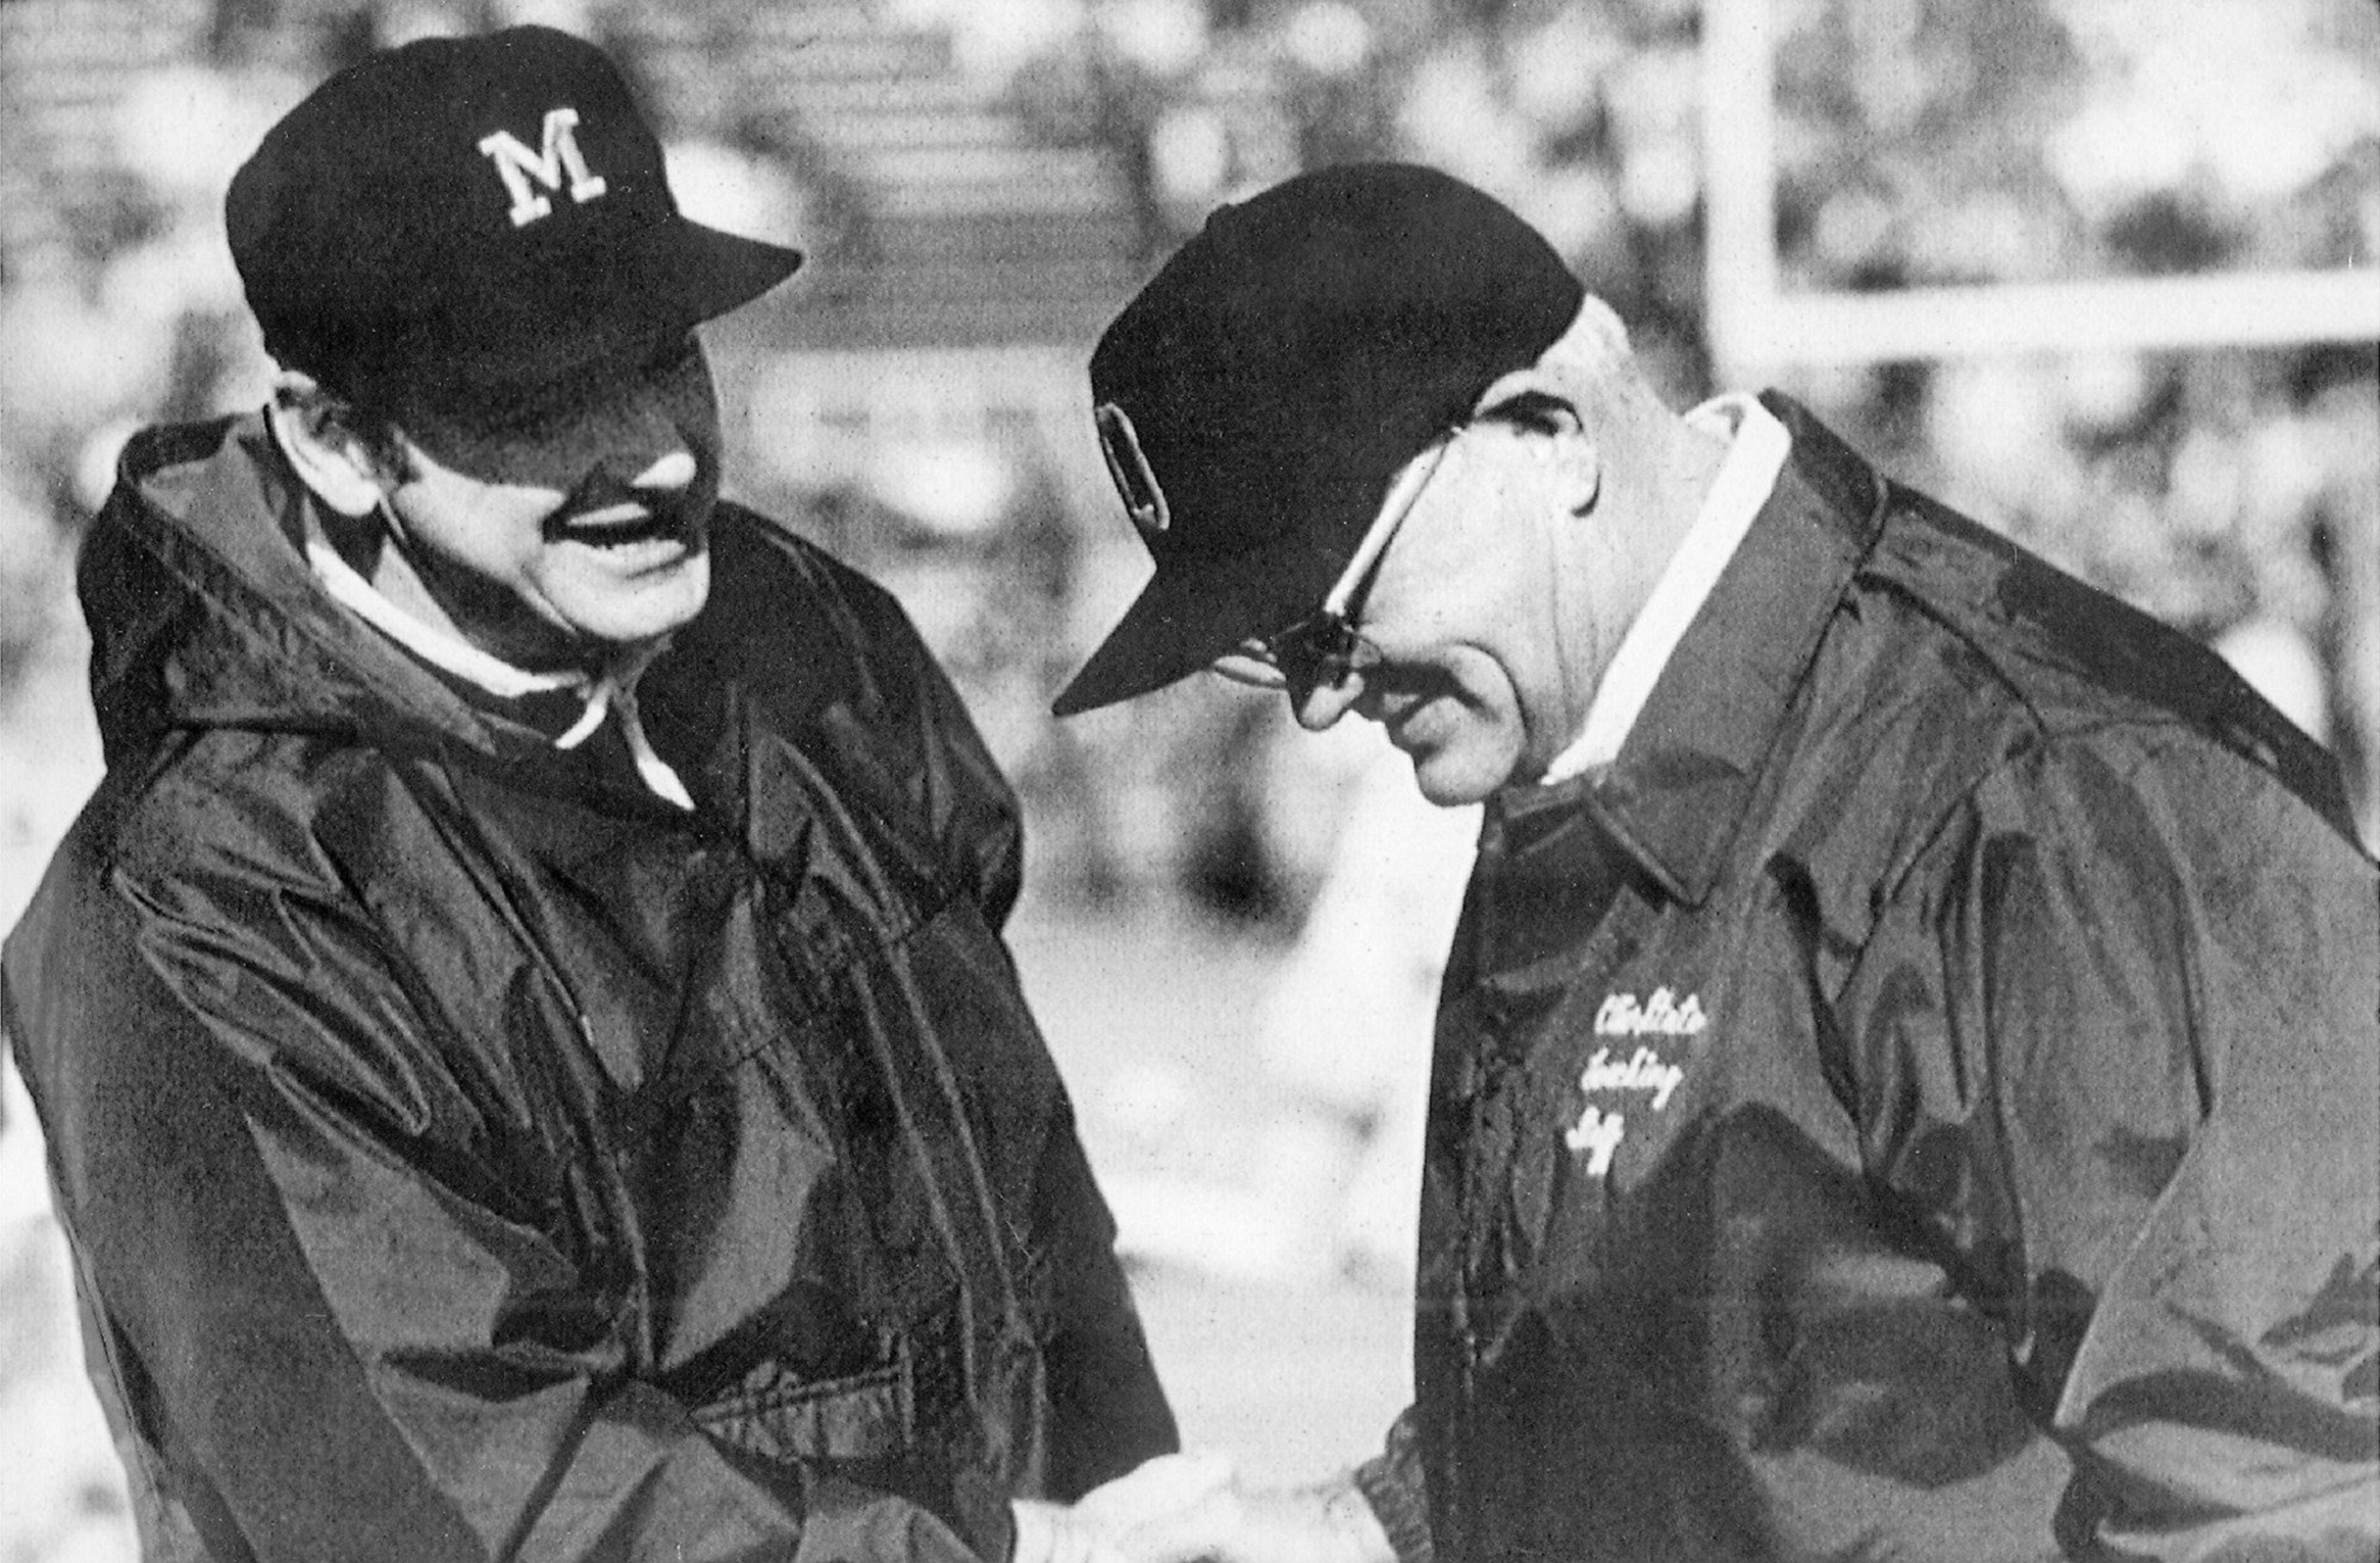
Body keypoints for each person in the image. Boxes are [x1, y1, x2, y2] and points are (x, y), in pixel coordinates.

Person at [1051, 163, 2380, 1561]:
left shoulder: (2044, 801)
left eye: (1333, 609)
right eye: (1277, 652)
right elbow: (1724, 1394)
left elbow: (2306, 1492)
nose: (1323, 697)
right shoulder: (1586, 758)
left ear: (1546, 432)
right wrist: (1359, 1525)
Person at [0, 27, 1200, 1561]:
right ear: (338, 443)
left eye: (661, 354)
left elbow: (1039, 1223)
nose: (650, 453)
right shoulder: (202, 902)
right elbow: (469, 1508)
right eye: (535, 397)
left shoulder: (811, 645)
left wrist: (1127, 1510)